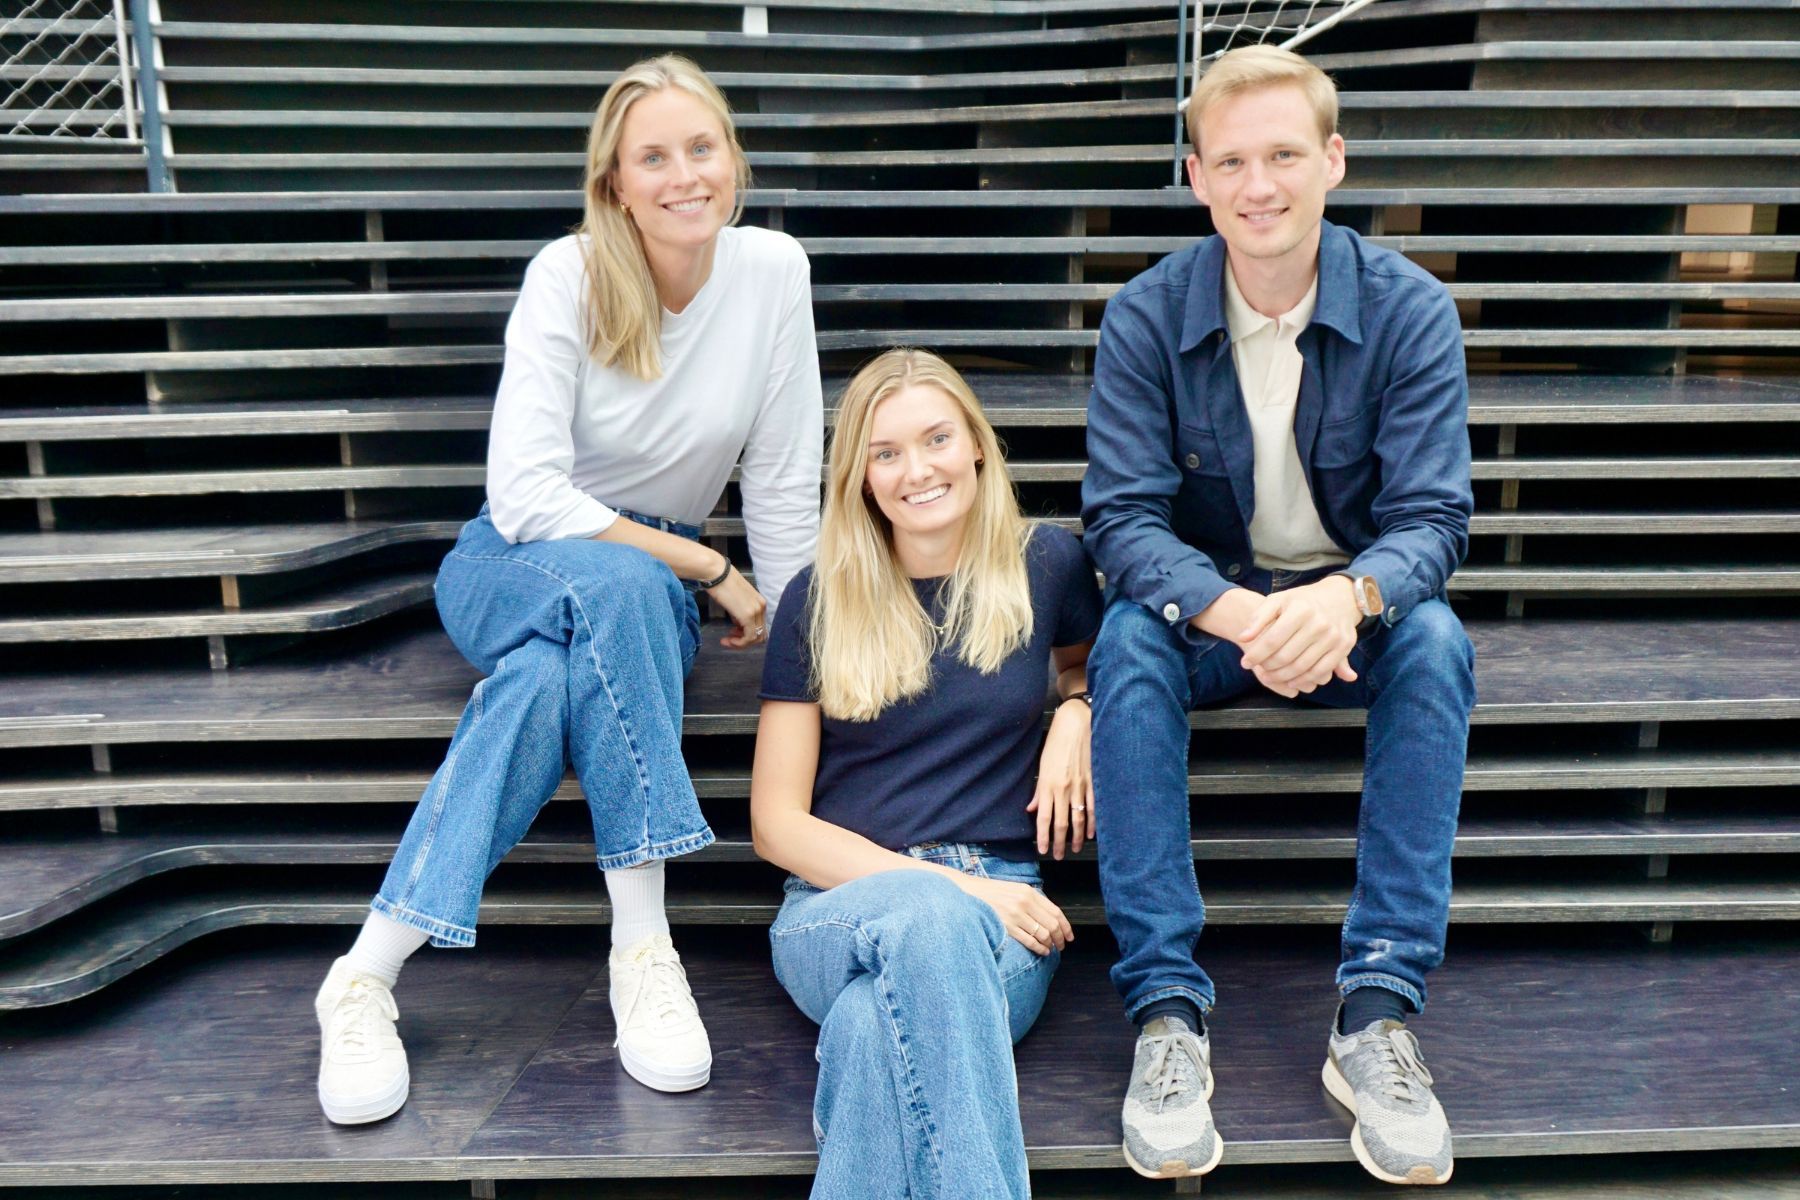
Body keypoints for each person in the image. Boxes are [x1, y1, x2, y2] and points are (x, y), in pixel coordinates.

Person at [311, 54, 823, 1124]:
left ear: (733, 158)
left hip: (639, 595)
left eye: (702, 146)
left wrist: (801, 636)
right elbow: (530, 496)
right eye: (653, 156)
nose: (684, 173)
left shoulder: (774, 272)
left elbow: (781, 479)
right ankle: (643, 942)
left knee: (547, 688)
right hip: (513, 559)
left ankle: (364, 972)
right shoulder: (571, 274)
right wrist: (711, 570)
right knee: (627, 587)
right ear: (616, 184)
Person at [1081, 45, 1476, 1186]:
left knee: (1438, 641)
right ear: (1198, 175)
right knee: (1125, 643)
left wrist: (1347, 600)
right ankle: (1164, 1014)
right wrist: (1237, 617)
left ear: (1333, 161)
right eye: (1235, 162)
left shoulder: (1411, 311)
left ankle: (1378, 1015)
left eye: (1286, 156)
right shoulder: (1147, 317)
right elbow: (1120, 522)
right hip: (1213, 611)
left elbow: (1436, 521)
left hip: (1349, 604)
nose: (1262, 186)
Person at [751, 349, 1104, 1199]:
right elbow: (777, 826)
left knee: (875, 1029)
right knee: (929, 921)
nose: (918, 470)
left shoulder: (1047, 566)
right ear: (862, 479)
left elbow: (1092, 668)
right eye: (887, 453)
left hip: (1002, 916)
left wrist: (1079, 709)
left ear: (976, 445)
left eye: (937, 438)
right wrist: (958, 895)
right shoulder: (819, 598)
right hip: (838, 908)